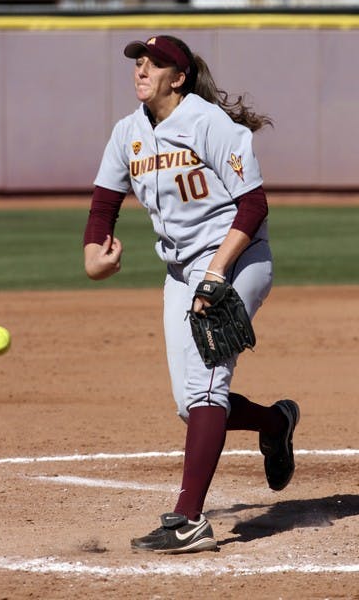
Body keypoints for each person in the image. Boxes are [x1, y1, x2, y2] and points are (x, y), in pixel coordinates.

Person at [83, 35, 300, 554]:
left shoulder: (209, 125)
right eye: (138, 60)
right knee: (191, 403)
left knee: (207, 386)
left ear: (177, 78)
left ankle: (188, 521)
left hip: (237, 259)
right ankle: (276, 422)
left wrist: (218, 273)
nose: (141, 68)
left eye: (154, 63)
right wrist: (94, 254)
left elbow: (253, 206)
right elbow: (103, 205)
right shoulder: (128, 133)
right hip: (181, 274)